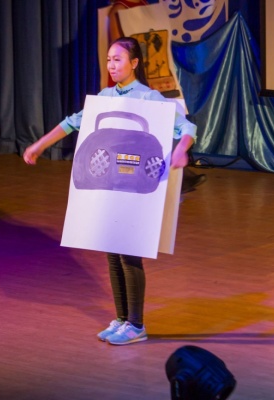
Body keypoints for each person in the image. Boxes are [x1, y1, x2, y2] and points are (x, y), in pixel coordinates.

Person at [23, 37, 196, 346]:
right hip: (109, 188)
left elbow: (187, 128)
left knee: (130, 254)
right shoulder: (104, 98)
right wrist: (40, 145)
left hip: (136, 192)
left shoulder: (150, 98)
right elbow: (72, 123)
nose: (112, 65)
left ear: (134, 63)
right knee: (112, 252)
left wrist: (182, 149)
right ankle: (122, 318)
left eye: (118, 59)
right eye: (108, 60)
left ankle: (137, 324)